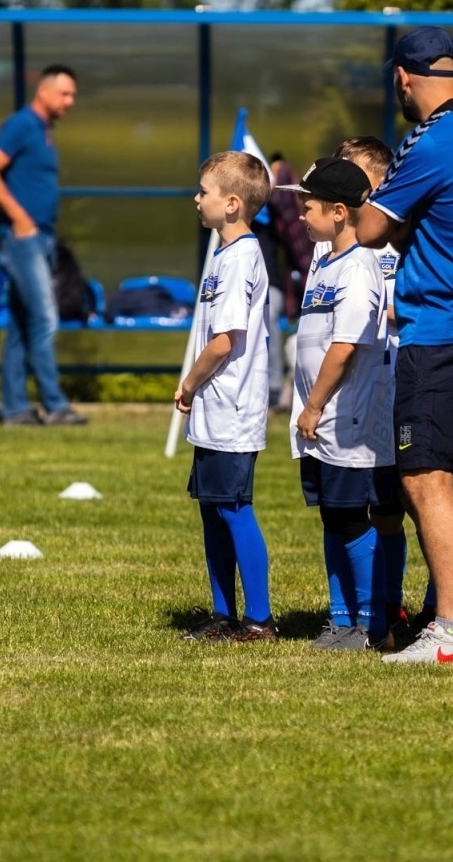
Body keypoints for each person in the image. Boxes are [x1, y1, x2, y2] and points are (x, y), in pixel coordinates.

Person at [355, 26, 453, 666]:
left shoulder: (427, 141)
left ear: (403, 77)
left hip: (443, 335)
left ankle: (447, 628)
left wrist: (361, 195)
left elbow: (369, 230)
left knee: (423, 480)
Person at [284, 156, 393, 650]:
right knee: (332, 516)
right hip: (318, 418)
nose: (301, 215)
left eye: (309, 206)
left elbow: (345, 345)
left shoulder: (359, 266)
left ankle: (370, 622)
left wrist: (314, 405)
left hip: (344, 417)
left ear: (339, 213)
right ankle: (340, 617)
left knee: (351, 516)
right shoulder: (323, 262)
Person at [175, 152, 277, 641]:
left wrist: (189, 383)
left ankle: (258, 618)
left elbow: (224, 341)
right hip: (215, 409)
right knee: (212, 507)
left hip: (232, 404)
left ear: (232, 204)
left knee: (235, 507)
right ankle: (223, 613)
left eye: (205, 191)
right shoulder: (221, 254)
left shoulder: (240, 258)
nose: (197, 199)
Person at [335, 136, 424, 634]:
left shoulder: (403, 238)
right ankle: (382, 608)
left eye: (358, 181)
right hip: (361, 400)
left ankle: (429, 602)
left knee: (417, 502)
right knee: (373, 508)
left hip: (404, 388)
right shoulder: (337, 248)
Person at [0, 64, 88, 427]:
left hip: (41, 238)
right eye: (65, 94)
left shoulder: (44, 131)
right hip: (22, 239)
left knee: (23, 325)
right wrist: (20, 219)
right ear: (43, 91)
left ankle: (15, 409)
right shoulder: (21, 125)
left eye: (73, 95)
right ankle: (55, 406)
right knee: (45, 318)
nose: (70, 102)